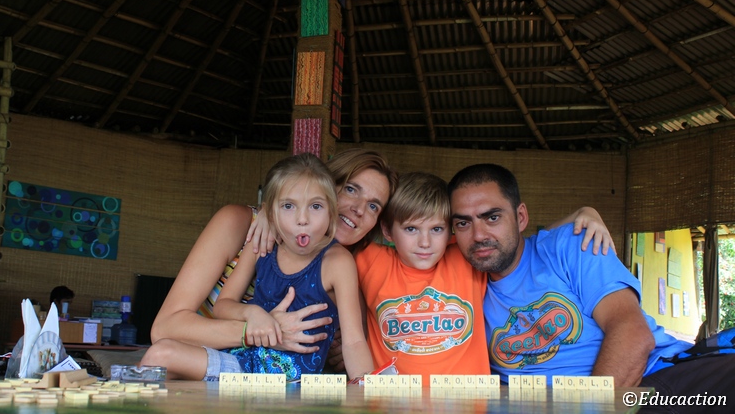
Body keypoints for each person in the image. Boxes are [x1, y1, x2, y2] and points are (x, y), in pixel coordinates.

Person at [448, 163, 734, 411]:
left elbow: (633, 334)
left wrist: (594, 409)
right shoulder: (455, 283)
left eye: (492, 217)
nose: (479, 235)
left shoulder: (570, 246)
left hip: (652, 378)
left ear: (521, 217)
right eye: (463, 223)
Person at [142, 149, 397, 373]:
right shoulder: (254, 238)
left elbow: (353, 345)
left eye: (374, 206)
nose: (359, 209)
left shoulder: (345, 264)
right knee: (161, 361)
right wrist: (262, 329)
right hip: (226, 357)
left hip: (280, 375)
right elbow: (170, 327)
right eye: (351, 190)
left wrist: (349, 367)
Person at [356, 172, 489, 379]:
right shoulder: (371, 261)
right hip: (391, 398)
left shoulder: (467, 256)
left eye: (436, 229)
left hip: (467, 397)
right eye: (411, 229)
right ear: (387, 230)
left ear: (451, 231)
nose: (425, 242)